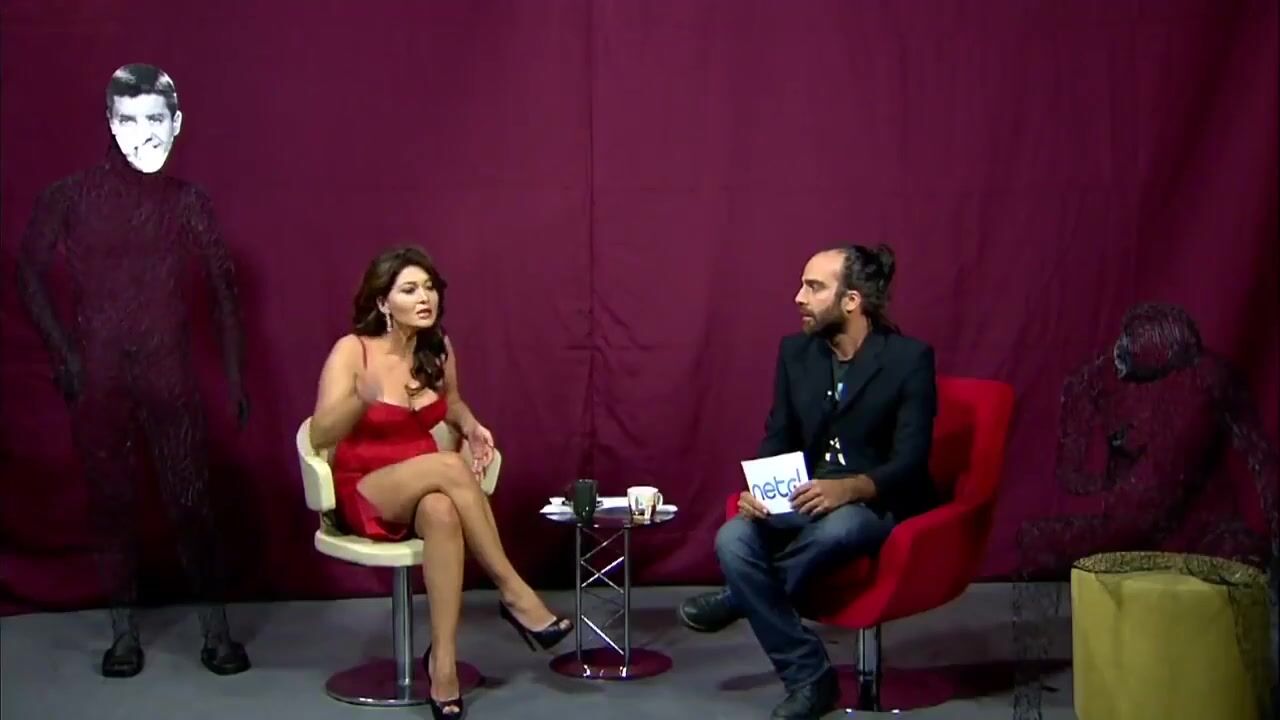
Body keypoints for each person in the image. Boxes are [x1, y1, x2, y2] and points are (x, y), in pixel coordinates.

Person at [17, 63, 250, 678]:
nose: (143, 133)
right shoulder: (69, 198)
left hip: (168, 372)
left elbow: (224, 291)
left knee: (191, 500)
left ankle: (216, 633)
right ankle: (124, 636)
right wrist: (65, 354)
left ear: (175, 124)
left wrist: (234, 375)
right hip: (99, 373)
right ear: (110, 123)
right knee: (112, 502)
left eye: (154, 119)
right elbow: (28, 272)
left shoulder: (188, 203)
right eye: (128, 119)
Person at [310, 246, 572, 720]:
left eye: (429, 288)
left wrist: (471, 426)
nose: (424, 298)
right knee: (449, 467)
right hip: (365, 487)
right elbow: (320, 435)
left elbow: (450, 404)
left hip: (424, 482)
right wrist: (357, 401)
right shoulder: (354, 350)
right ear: (383, 302)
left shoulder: (438, 348)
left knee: (442, 510)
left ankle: (443, 665)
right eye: (410, 289)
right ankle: (514, 593)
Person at [678, 244, 939, 720]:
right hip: (804, 494)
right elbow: (779, 434)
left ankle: (743, 596)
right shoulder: (795, 353)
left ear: (851, 301)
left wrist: (850, 488)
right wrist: (759, 488)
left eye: (814, 287)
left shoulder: (908, 359)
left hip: (874, 501)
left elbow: (911, 463)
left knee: (842, 527)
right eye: (802, 285)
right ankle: (810, 678)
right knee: (733, 538)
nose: (798, 297)